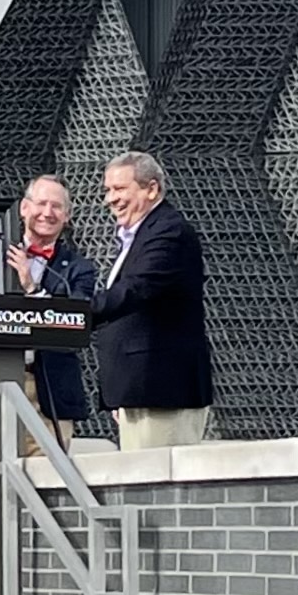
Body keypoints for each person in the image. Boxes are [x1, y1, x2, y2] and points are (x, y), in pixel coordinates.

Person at [88, 150, 214, 448]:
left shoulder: (169, 232)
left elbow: (134, 289)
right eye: (107, 190)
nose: (110, 199)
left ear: (152, 188)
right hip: (138, 391)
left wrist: (74, 312)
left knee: (164, 490)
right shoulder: (142, 234)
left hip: (161, 392)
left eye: (119, 189)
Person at [4, 172, 97, 438]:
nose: (47, 212)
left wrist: (33, 288)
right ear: (24, 208)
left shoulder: (80, 269)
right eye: (41, 203)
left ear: (67, 216)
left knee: (50, 478)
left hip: (50, 393)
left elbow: (76, 325)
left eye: (57, 206)